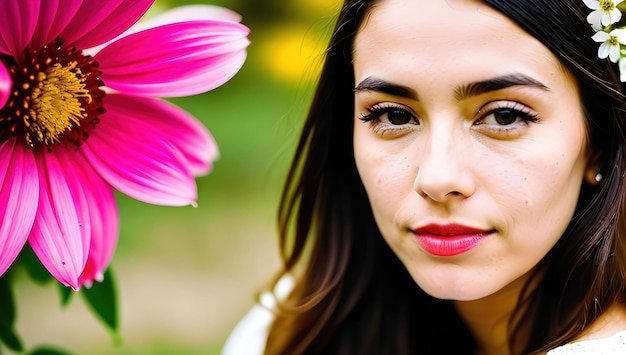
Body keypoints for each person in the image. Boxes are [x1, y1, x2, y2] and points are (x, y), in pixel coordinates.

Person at [222, 0, 626, 354]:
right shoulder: (288, 325)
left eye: (504, 116)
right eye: (393, 115)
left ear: (600, 141)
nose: (436, 178)